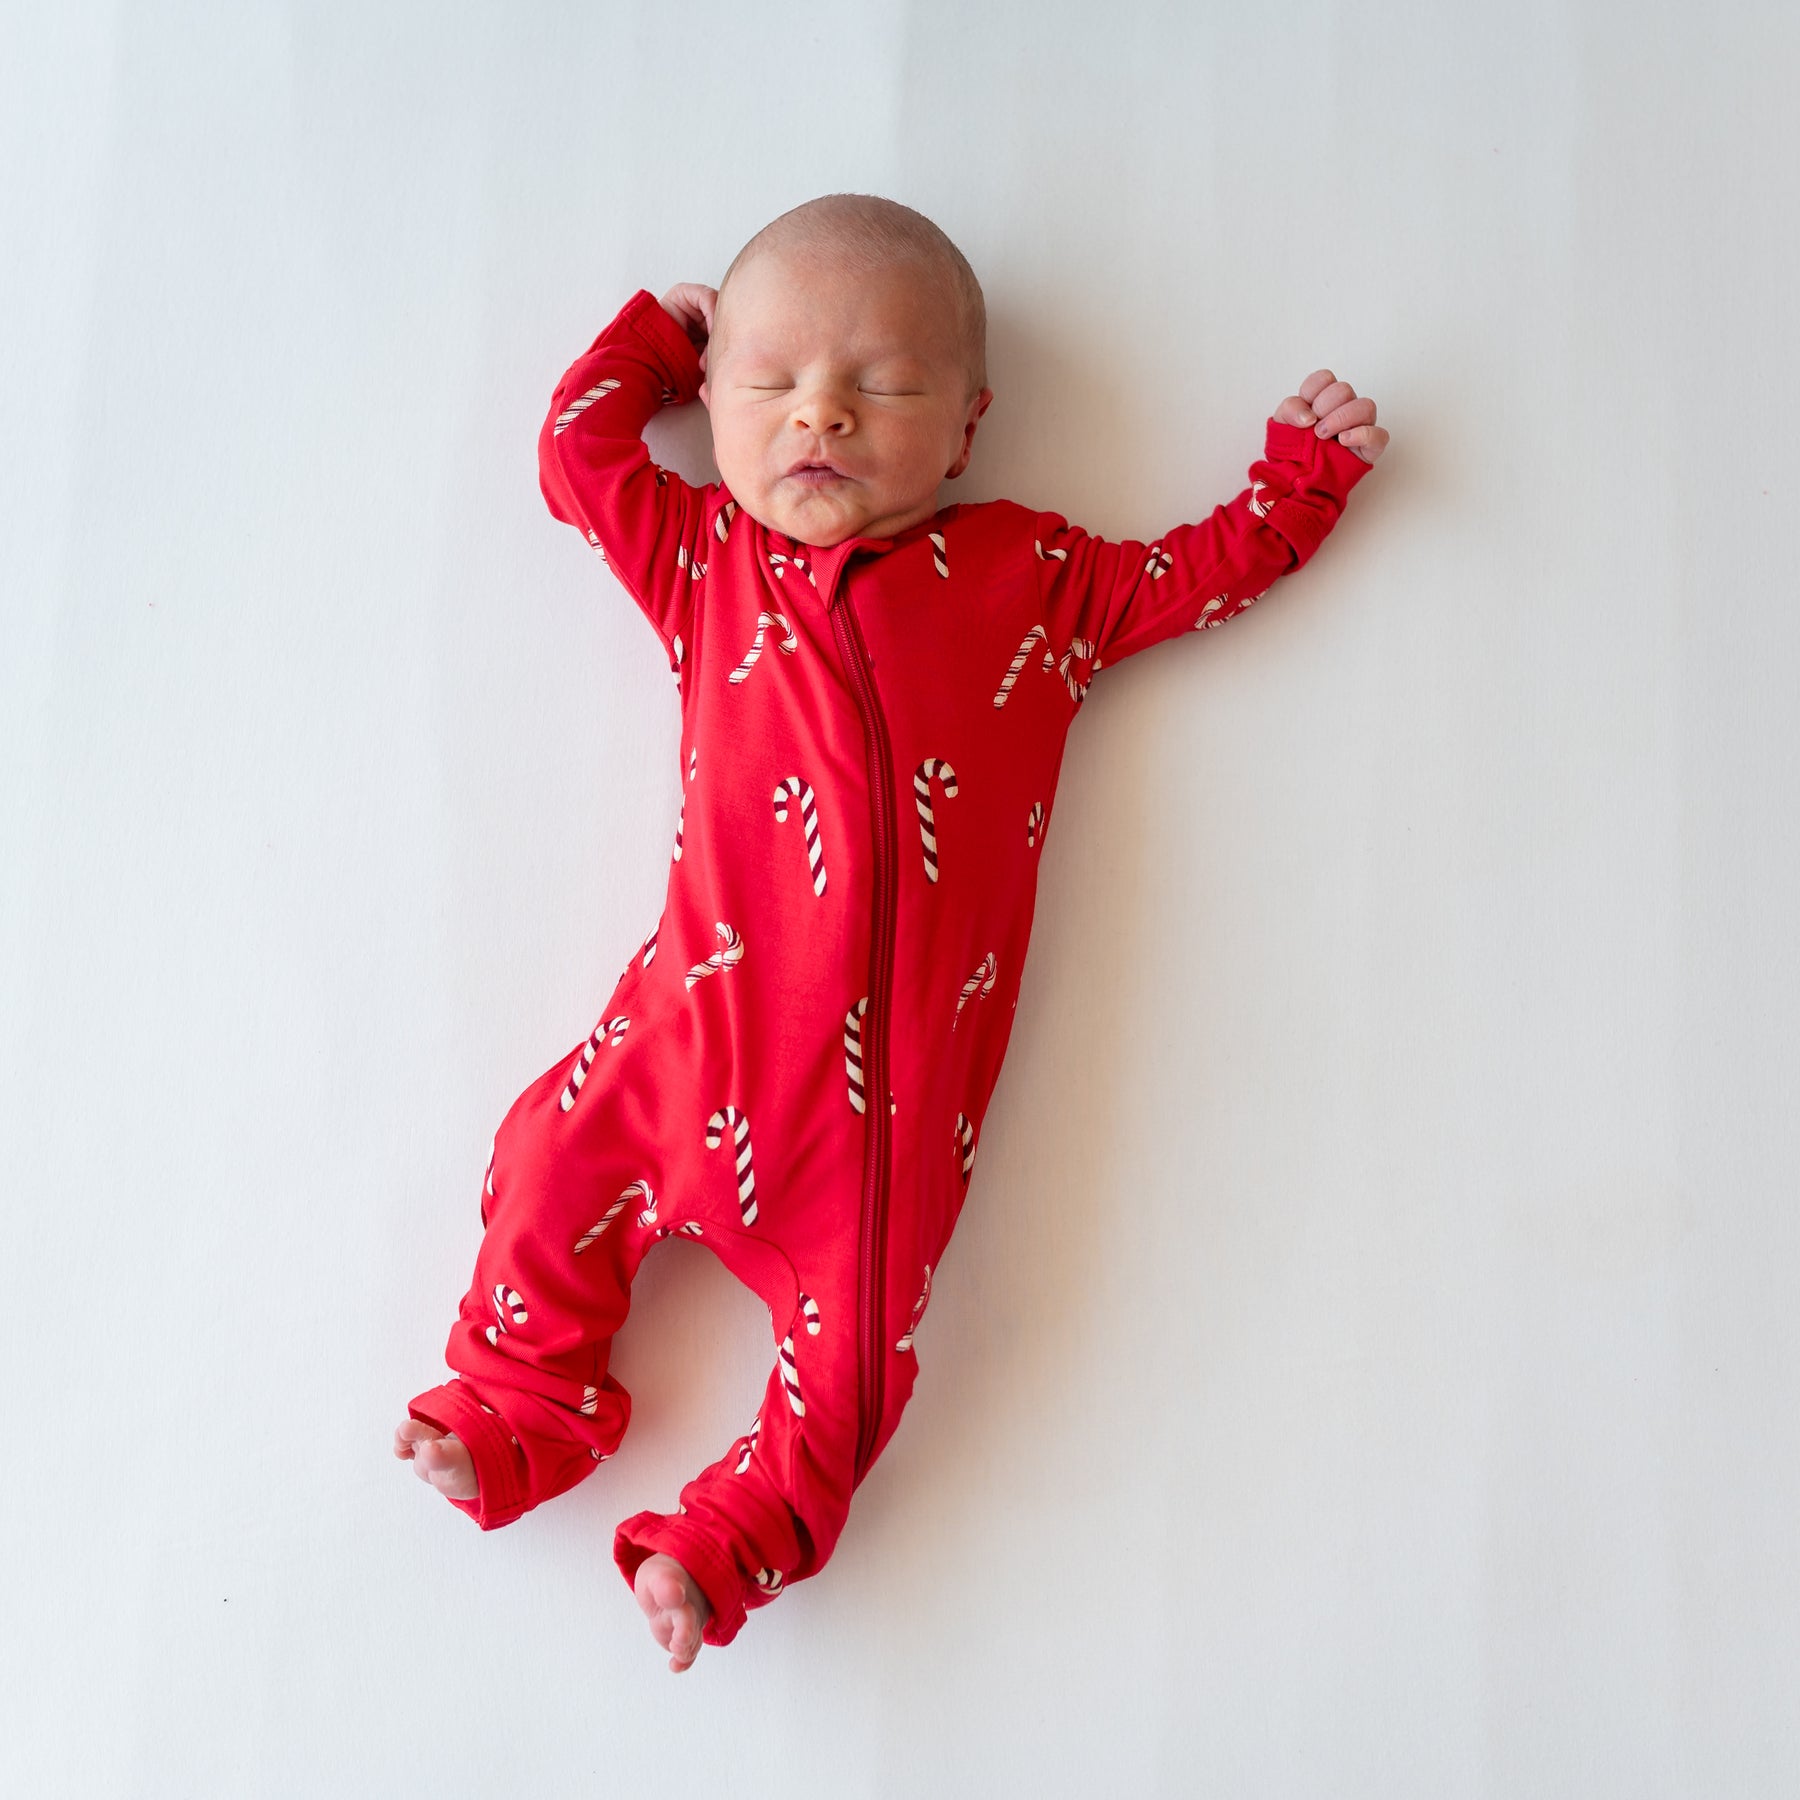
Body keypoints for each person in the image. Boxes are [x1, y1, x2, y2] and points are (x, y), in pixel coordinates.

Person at [394, 193, 1388, 1674]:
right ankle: (517, 1407)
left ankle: (717, 1550)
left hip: (878, 1131)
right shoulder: (704, 563)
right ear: (720, 407)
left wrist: (1302, 482)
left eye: (883, 386)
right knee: (550, 1156)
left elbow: (1205, 572)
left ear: (967, 428)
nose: (823, 416)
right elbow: (576, 452)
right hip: (682, 1040)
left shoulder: (1040, 583)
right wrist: (660, 343)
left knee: (853, 1373)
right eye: (772, 382)